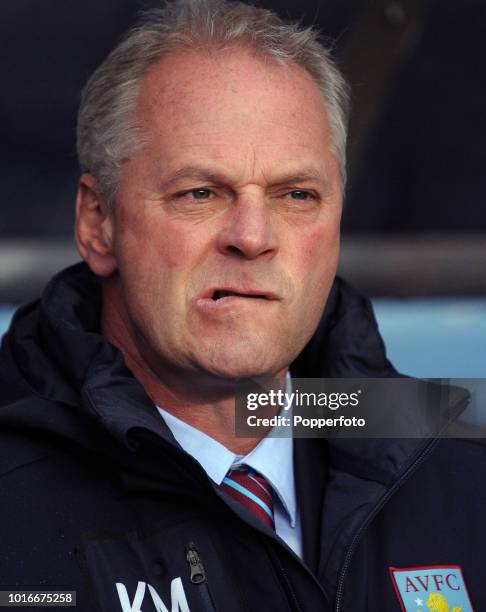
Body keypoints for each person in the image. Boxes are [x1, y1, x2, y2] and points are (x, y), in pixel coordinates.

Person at [0, 1, 483, 611]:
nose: (253, 237)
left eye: (297, 194)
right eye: (200, 192)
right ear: (99, 222)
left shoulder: (460, 473)